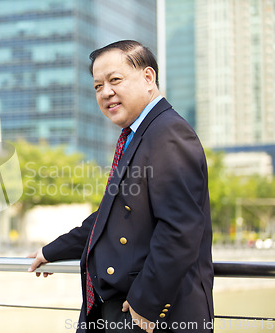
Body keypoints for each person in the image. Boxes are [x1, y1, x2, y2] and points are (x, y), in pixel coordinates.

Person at [28, 40, 214, 333]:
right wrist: (52, 251)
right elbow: (110, 217)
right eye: (97, 86)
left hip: (155, 315)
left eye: (115, 80)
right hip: (121, 311)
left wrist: (146, 302)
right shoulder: (140, 134)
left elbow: (181, 228)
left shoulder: (168, 133)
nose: (106, 93)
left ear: (148, 78)